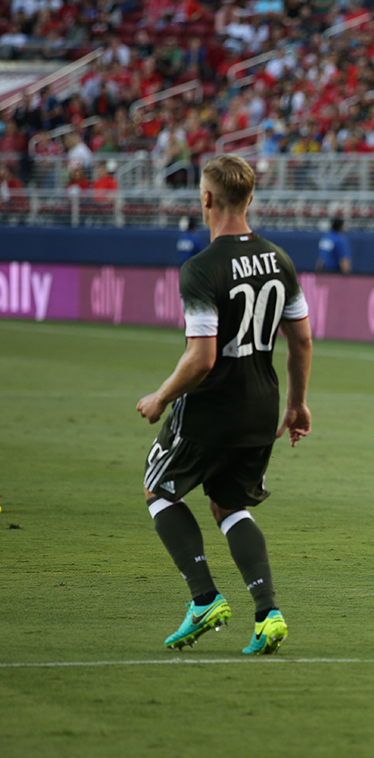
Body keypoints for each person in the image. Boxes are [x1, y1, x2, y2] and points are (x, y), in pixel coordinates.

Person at [136, 154, 312, 656]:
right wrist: (297, 405)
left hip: (211, 408)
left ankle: (204, 598)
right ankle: (268, 613)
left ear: (206, 199)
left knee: (159, 491)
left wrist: (160, 396)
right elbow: (301, 342)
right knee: (229, 505)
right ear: (250, 198)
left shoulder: (201, 268)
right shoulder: (280, 259)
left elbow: (202, 356)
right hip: (262, 407)